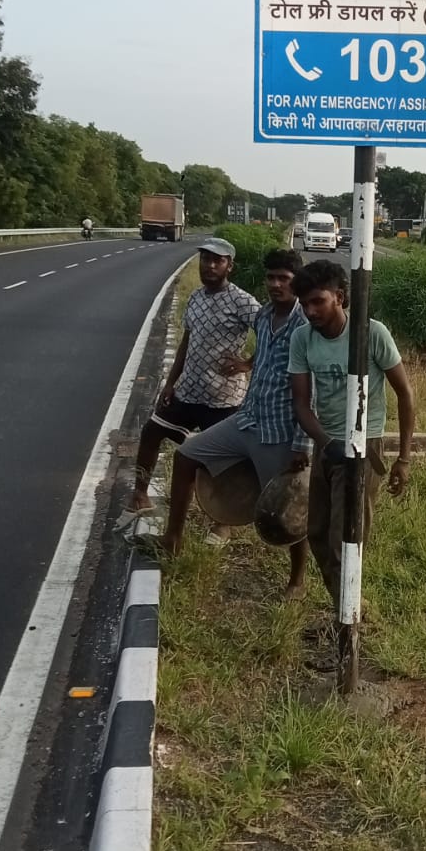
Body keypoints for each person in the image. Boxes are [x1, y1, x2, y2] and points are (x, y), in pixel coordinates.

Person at [158, 249, 311, 594]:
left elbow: (311, 391)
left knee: (289, 505)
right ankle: (172, 539)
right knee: (186, 456)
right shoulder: (265, 314)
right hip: (246, 418)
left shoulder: (305, 324)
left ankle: (297, 580)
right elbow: (264, 353)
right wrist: (247, 364)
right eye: (271, 277)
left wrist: (302, 444)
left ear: (297, 282)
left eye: (283, 279)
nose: (275, 284)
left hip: (278, 431)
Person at [287, 258, 415, 612]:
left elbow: (405, 394)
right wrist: (326, 444)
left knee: (345, 538)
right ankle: (348, 604)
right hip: (327, 445)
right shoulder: (302, 338)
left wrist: (404, 459)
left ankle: (347, 620)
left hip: (363, 444)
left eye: (318, 301)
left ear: (340, 297)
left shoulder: (371, 333)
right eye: (304, 304)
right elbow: (301, 404)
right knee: (316, 532)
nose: (310, 311)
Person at [130, 238, 259, 513]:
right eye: (205, 259)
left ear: (229, 266)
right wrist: (170, 383)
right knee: (152, 432)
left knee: (228, 462)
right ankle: (140, 495)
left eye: (217, 261)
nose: (210, 266)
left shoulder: (243, 301)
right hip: (188, 391)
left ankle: (223, 522)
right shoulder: (196, 298)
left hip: (224, 398)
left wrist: (248, 364)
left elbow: (273, 334)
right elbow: (186, 343)